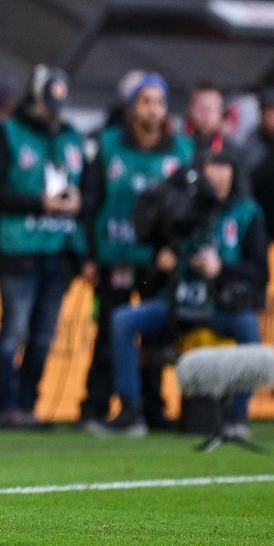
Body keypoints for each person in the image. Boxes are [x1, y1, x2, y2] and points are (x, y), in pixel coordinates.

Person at [94, 152, 267, 438]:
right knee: (123, 320)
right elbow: (147, 276)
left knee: (248, 326)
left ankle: (237, 416)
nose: (218, 173)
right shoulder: (177, 204)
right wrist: (160, 264)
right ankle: (131, 411)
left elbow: (261, 272)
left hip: (220, 306)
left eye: (225, 165)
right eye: (212, 164)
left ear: (235, 171)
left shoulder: (246, 212)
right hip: (178, 304)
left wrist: (221, 268)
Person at [80, 72, 194, 430]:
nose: (152, 109)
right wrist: (88, 254)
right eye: (145, 101)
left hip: (157, 263)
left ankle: (150, 408)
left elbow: (190, 211)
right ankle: (96, 406)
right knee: (107, 333)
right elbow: (91, 201)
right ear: (132, 108)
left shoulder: (182, 150)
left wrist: (176, 253)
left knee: (155, 338)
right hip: (115, 256)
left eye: (159, 102)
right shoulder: (108, 144)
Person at [0, 65, 84, 428]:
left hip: (58, 249)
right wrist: (41, 204)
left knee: (43, 335)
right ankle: (6, 407)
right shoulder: (7, 132)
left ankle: (28, 406)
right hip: (16, 248)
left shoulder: (72, 137)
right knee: (15, 329)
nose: (55, 111)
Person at [184, 80, 236, 163]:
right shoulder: (175, 145)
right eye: (200, 106)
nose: (206, 113)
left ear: (221, 111)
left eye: (212, 108)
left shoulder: (231, 153)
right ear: (189, 108)